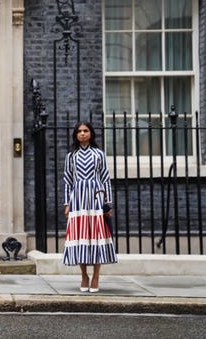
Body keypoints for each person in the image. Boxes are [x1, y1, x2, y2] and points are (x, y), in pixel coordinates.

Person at [62, 121, 117, 293]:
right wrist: (66, 204)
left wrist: (108, 203)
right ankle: (84, 276)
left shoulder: (99, 154)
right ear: (76, 135)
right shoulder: (71, 156)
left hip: (95, 198)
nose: (83, 134)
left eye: (86, 131)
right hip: (78, 200)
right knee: (80, 236)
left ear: (91, 133)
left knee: (96, 236)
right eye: (79, 131)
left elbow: (106, 178)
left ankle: (96, 277)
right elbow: (67, 182)